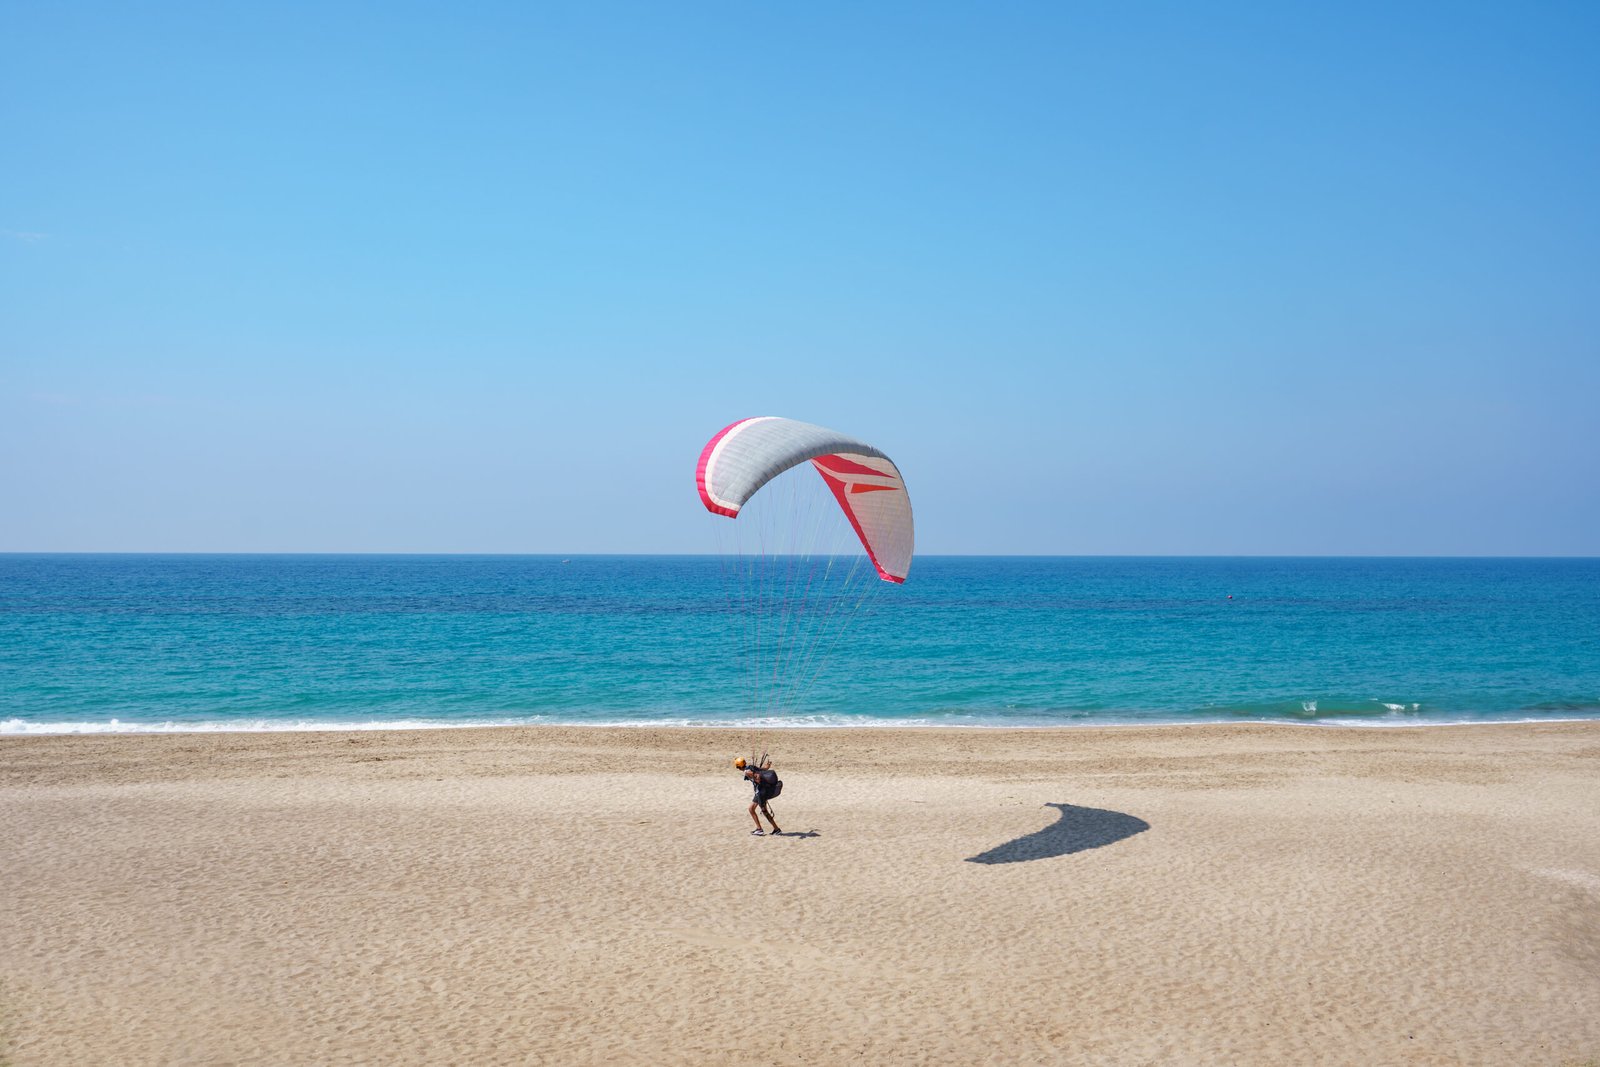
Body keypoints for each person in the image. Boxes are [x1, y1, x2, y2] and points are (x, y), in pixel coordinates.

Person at [734, 756, 782, 836]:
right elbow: (764, 769)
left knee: (764, 811)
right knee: (752, 809)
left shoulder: (747, 771)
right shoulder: (751, 767)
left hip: (761, 793)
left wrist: (756, 779)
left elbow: (757, 776)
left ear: (738, 767)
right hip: (760, 792)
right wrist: (767, 767)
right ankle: (770, 829)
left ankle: (770, 829)